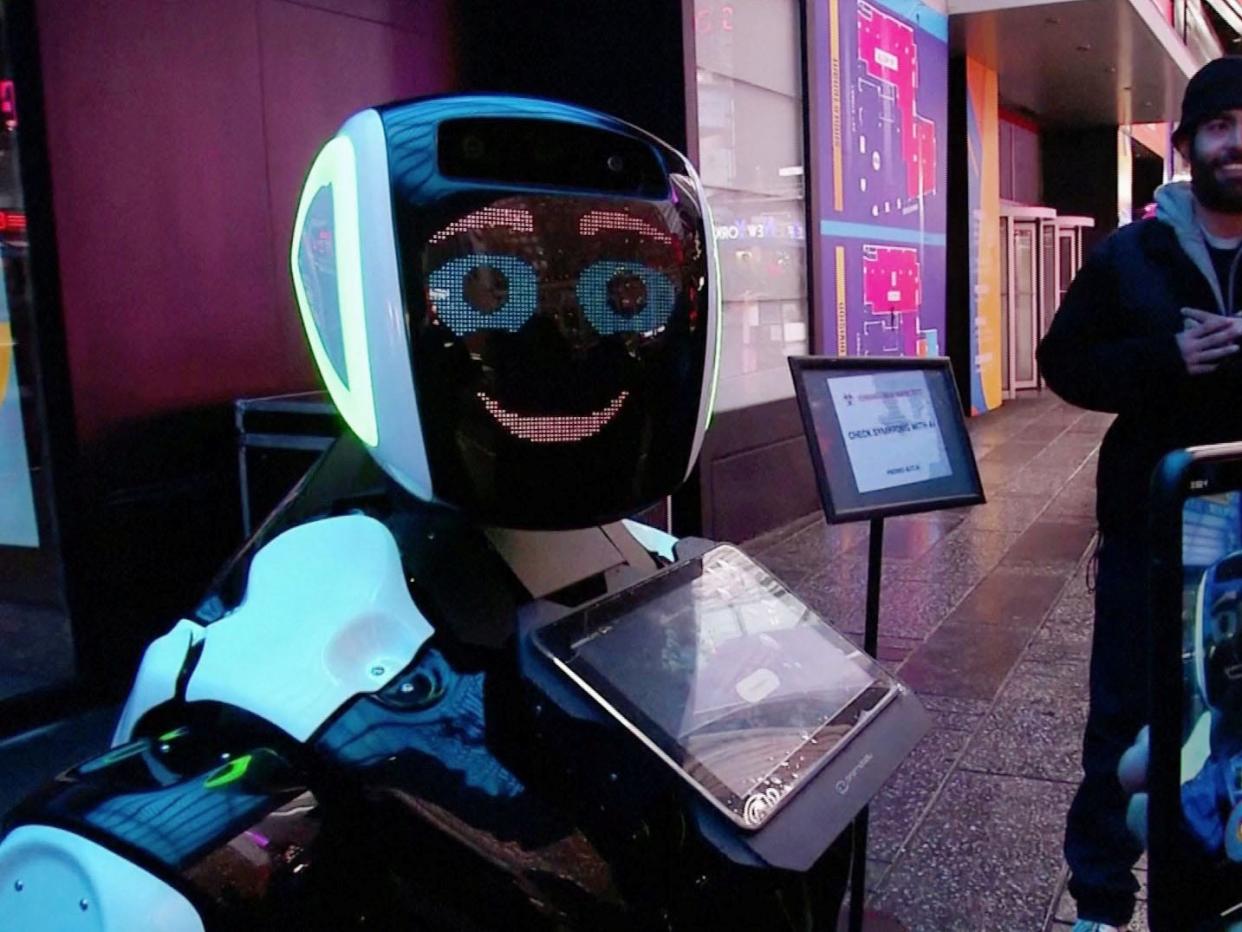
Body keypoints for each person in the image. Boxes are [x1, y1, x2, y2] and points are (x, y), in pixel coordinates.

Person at [1037, 55, 1242, 932]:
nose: (1239, 144)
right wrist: (1165, 360)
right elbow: (1062, 362)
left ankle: (1225, 869)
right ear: (1188, 142)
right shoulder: (1133, 250)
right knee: (1122, 713)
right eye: (1223, 125)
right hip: (1152, 534)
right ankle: (1100, 899)